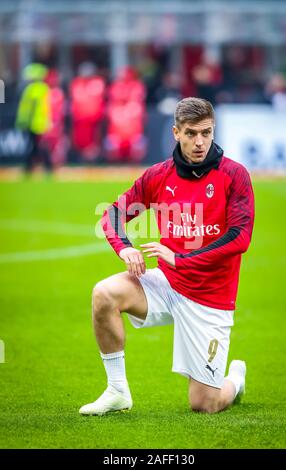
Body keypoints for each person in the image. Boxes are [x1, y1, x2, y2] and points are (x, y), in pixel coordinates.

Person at [79, 97, 255, 416]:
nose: (199, 141)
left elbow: (240, 238)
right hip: (167, 285)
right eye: (191, 133)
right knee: (103, 294)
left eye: (206, 132)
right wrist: (126, 248)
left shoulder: (235, 175)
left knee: (204, 404)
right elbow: (113, 215)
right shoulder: (159, 175)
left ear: (214, 130)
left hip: (210, 298)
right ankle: (117, 391)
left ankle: (234, 381)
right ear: (176, 132)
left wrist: (181, 259)